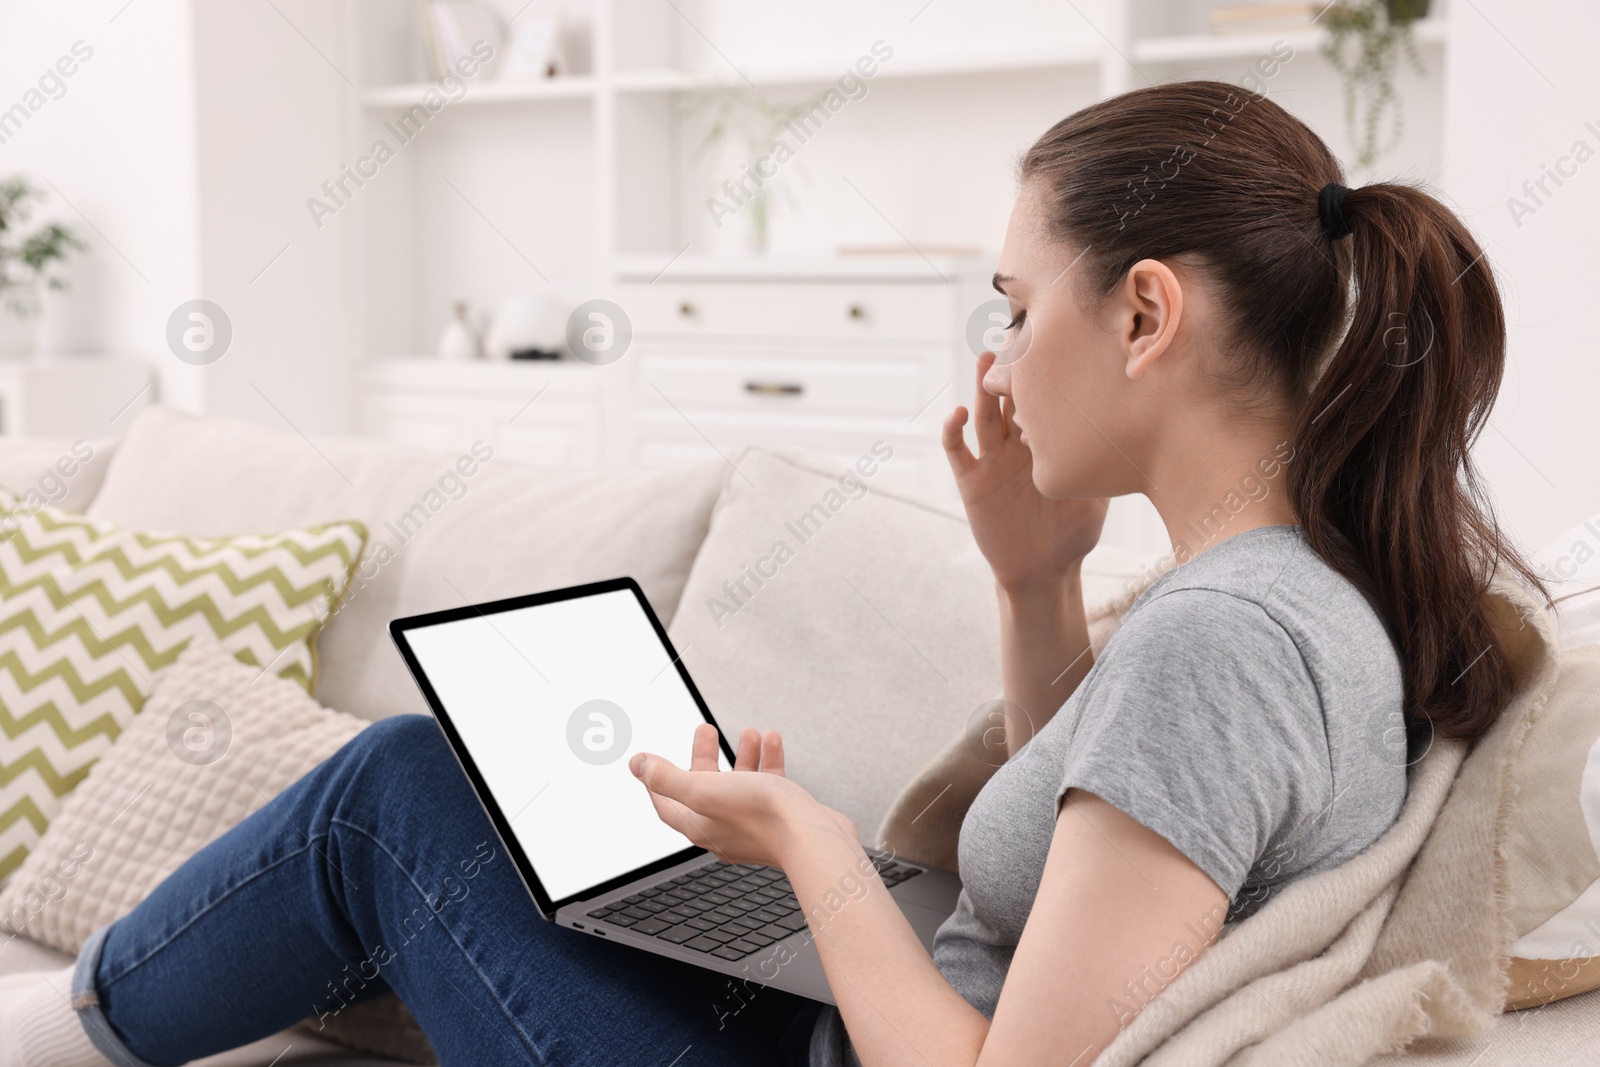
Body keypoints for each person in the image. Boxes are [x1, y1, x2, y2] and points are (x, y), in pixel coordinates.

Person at [0, 79, 1542, 1067]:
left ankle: (80, 1024)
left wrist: (810, 847)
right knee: (493, 815)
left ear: (1145, 317)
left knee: (390, 793)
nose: (997, 362)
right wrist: (1030, 583)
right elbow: (1108, 864)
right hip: (821, 1022)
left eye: (1013, 306)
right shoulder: (1300, 595)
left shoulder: (1226, 641)